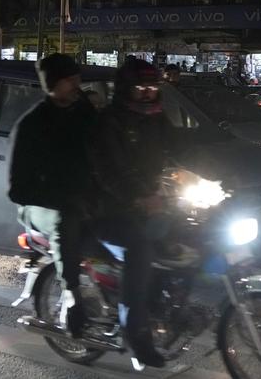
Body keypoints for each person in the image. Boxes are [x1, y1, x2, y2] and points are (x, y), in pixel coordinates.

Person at [87, 59, 184, 368]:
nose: (147, 94)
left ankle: (166, 306)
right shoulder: (110, 122)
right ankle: (137, 335)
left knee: (191, 235)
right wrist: (139, 197)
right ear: (127, 89)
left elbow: (184, 148)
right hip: (111, 210)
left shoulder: (157, 119)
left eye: (152, 88)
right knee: (139, 251)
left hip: (148, 203)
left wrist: (223, 173)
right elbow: (110, 172)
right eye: (141, 88)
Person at [8, 54, 96, 338]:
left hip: (82, 197)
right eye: (69, 81)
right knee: (65, 218)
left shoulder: (84, 112)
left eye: (77, 80)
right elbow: (18, 188)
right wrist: (63, 196)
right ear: (53, 84)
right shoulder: (32, 124)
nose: (76, 86)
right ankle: (71, 294)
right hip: (40, 206)